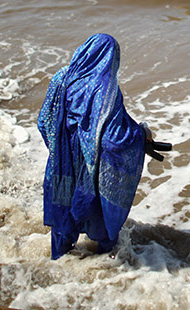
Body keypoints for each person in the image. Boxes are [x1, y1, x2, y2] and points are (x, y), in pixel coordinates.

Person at [37, 33, 152, 259]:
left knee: (63, 216)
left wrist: (60, 151)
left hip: (61, 163)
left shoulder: (62, 77)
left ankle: (58, 264)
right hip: (90, 169)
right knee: (99, 217)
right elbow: (114, 138)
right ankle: (107, 271)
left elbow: (44, 121)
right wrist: (141, 134)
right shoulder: (104, 87)